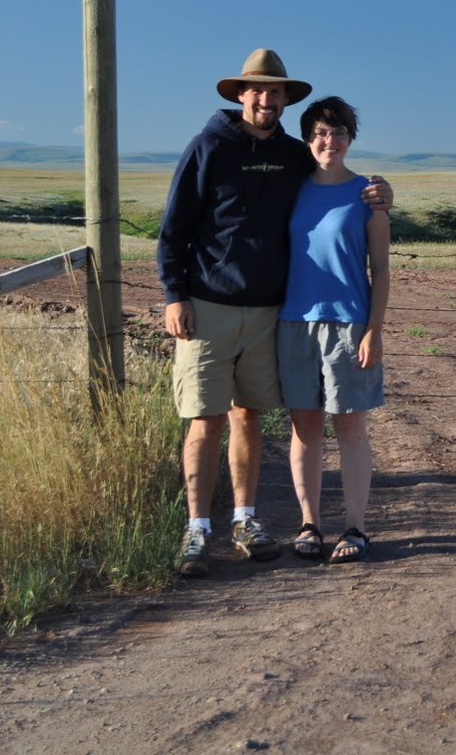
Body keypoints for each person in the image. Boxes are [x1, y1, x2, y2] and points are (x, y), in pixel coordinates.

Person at [158, 49, 391, 578]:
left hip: (278, 314)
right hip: (220, 308)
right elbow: (173, 229)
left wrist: (382, 192)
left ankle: (253, 520)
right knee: (206, 419)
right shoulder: (208, 147)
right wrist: (175, 294)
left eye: (276, 92)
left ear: (286, 100)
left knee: (251, 416)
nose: (266, 99)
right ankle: (200, 529)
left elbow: (361, 219)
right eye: (257, 90)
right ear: (240, 94)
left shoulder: (297, 158)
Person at [278, 96, 389, 564]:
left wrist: (374, 330)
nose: (330, 141)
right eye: (321, 133)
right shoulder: (291, 189)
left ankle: (356, 527)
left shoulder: (368, 195)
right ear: (308, 139)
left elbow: (380, 270)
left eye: (339, 132)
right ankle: (310, 524)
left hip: (349, 324)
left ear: (350, 139)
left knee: (351, 429)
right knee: (304, 429)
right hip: (294, 322)